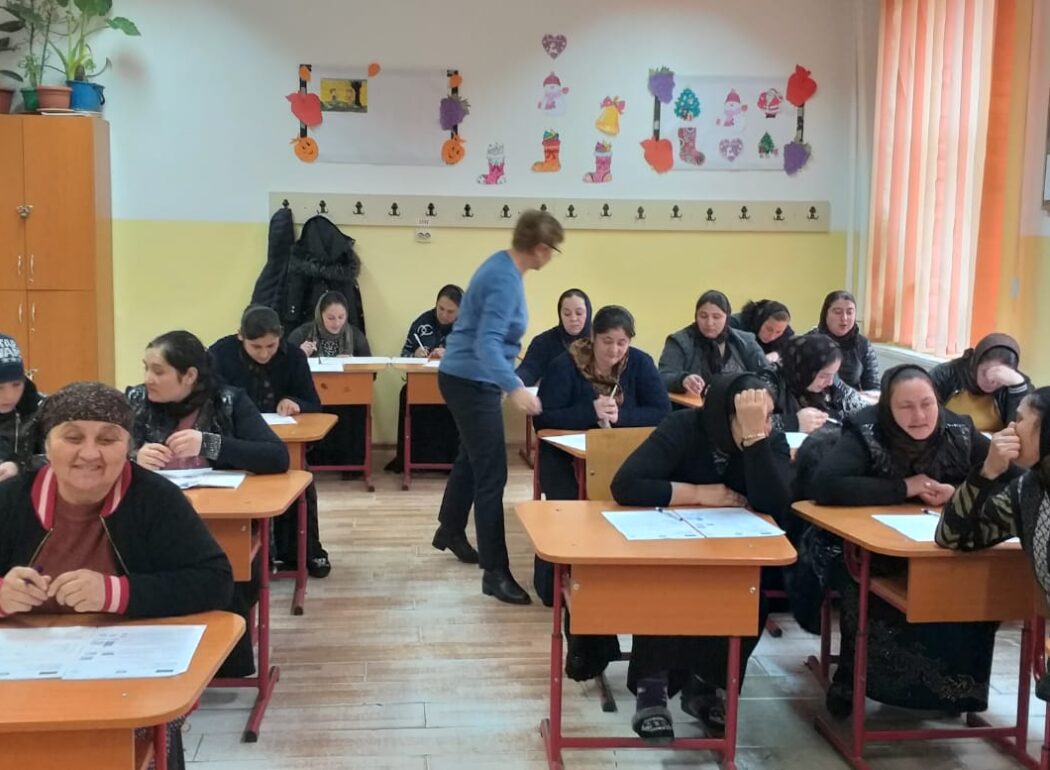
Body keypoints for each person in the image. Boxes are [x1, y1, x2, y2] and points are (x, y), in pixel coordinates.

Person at [0, 382, 234, 770]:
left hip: (125, 676)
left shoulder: (155, 498)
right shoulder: (10, 501)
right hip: (18, 680)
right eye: (72, 437)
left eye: (108, 439)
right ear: (47, 444)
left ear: (128, 446)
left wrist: (116, 593)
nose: (90, 453)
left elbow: (215, 580)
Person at [610, 373, 792, 740]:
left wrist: (755, 440)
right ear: (723, 415)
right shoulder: (684, 426)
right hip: (671, 544)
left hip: (736, 552)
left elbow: (776, 504)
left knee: (751, 600)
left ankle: (706, 687)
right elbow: (626, 484)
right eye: (750, 417)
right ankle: (652, 691)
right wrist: (695, 493)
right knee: (668, 590)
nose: (764, 425)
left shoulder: (768, 437)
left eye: (767, 416)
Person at [809, 365, 995, 717]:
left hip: (939, 548)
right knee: (865, 584)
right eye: (906, 407)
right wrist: (904, 487)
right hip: (868, 549)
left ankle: (949, 691)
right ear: (888, 408)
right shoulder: (867, 430)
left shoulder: (960, 430)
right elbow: (826, 484)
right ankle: (852, 679)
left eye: (927, 404)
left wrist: (957, 493)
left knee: (971, 586)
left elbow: (1012, 481)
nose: (920, 416)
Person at [432, 210, 561, 605]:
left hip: (466, 376)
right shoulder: (505, 279)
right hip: (472, 380)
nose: (551, 256)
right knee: (493, 475)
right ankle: (495, 573)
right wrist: (514, 386)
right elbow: (487, 343)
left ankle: (450, 528)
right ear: (540, 248)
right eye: (552, 249)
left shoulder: (502, 265)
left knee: (472, 459)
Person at [532, 305, 671, 602]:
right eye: (607, 341)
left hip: (622, 453)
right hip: (563, 455)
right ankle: (557, 582)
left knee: (640, 496)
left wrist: (621, 416)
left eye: (622, 343)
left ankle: (626, 579)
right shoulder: (565, 365)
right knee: (568, 504)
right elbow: (543, 419)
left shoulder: (640, 363)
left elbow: (662, 412)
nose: (614, 350)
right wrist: (589, 412)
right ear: (593, 337)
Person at [937, 389, 1050, 700]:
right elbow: (952, 536)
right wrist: (986, 472)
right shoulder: (1028, 490)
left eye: (1020, 420)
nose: (1009, 429)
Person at [210, 306, 331, 578]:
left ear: (280, 336)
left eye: (271, 346)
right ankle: (248, 558)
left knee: (300, 483)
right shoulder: (219, 354)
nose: (264, 354)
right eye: (256, 347)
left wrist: (296, 403)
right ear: (240, 336)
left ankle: (305, 551)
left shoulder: (294, 357)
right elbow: (211, 402)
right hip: (237, 442)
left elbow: (314, 403)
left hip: (283, 440)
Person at [127, 331, 288, 475]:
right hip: (157, 496)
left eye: (158, 372)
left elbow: (277, 457)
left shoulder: (227, 401)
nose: (147, 379)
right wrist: (134, 459)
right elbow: (115, 455)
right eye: (146, 368)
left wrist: (209, 445)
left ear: (190, 376)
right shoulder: (135, 400)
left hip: (222, 497)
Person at [287, 291, 371, 470]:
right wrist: (299, 354)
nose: (337, 323)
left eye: (341, 317)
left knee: (357, 407)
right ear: (320, 315)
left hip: (347, 392)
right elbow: (284, 369)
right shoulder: (302, 333)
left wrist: (352, 363)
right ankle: (311, 458)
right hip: (312, 392)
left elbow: (370, 370)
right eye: (331, 318)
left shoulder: (355, 335)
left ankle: (352, 464)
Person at [386, 284, 464, 473]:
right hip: (423, 384)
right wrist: (415, 355)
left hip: (455, 386)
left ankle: (455, 462)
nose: (444, 315)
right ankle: (410, 459)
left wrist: (451, 354)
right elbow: (403, 356)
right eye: (440, 309)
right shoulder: (422, 324)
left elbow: (478, 360)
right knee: (406, 394)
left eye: (450, 312)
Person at [658, 290, 774, 397]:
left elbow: (768, 376)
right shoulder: (680, 341)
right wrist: (682, 380)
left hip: (739, 407)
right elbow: (662, 377)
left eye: (716, 317)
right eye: (703, 316)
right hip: (692, 409)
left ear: (727, 317)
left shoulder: (745, 341)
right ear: (696, 316)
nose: (709, 323)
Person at [929, 332, 1032, 432]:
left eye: (999, 375)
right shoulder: (946, 373)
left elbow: (1022, 433)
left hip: (994, 443)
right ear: (975, 364)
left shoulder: (1016, 384)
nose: (990, 380)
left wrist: (1018, 390)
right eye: (985, 372)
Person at [772, 333, 867, 433]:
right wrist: (794, 422)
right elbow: (761, 424)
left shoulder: (832, 386)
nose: (830, 382)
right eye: (823, 376)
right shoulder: (772, 383)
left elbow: (860, 408)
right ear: (804, 370)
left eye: (834, 374)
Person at [516, 288, 593, 386]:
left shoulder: (600, 342)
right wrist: (515, 382)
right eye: (567, 314)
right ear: (560, 315)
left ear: (588, 313)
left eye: (579, 313)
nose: (573, 318)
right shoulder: (544, 342)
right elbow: (528, 370)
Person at [814, 290, 879, 392]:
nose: (844, 318)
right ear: (825, 314)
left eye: (849, 312)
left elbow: (873, 388)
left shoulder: (863, 344)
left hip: (853, 400)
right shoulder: (809, 342)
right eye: (837, 312)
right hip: (816, 400)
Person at [0, 334, 44, 480]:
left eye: (16, 385)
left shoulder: (44, 410)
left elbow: (62, 458)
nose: (9, 396)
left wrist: (19, 466)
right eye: (0, 387)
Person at [730, 299, 794, 363]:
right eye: (769, 329)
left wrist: (778, 353)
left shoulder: (786, 334)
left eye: (778, 332)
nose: (772, 337)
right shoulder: (734, 325)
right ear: (759, 322)